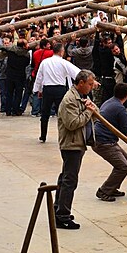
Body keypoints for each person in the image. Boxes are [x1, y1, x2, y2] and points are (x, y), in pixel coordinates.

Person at [55, 70, 98, 229]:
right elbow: (72, 123)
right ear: (81, 83)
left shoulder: (82, 97)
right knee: (69, 180)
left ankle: (58, 209)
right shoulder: (70, 100)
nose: (91, 87)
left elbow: (96, 113)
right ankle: (62, 215)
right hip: (71, 144)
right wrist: (88, 111)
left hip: (78, 143)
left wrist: (91, 108)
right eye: (90, 84)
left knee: (66, 176)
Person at [92, 82, 127, 202]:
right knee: (123, 167)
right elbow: (125, 131)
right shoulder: (120, 108)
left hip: (103, 139)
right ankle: (104, 191)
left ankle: (113, 188)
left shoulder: (109, 102)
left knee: (125, 158)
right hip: (103, 142)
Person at [33, 43, 82, 143]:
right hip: (60, 89)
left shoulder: (45, 62)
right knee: (62, 113)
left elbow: (39, 77)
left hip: (48, 88)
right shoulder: (63, 62)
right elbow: (76, 73)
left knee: (45, 113)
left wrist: (38, 90)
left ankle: (43, 135)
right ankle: (64, 134)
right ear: (61, 51)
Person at [0, 38, 30, 116]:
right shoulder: (26, 54)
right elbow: (26, 64)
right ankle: (16, 110)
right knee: (18, 94)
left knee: (9, 93)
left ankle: (8, 110)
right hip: (20, 76)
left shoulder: (11, 51)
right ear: (23, 46)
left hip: (10, 75)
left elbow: (1, 47)